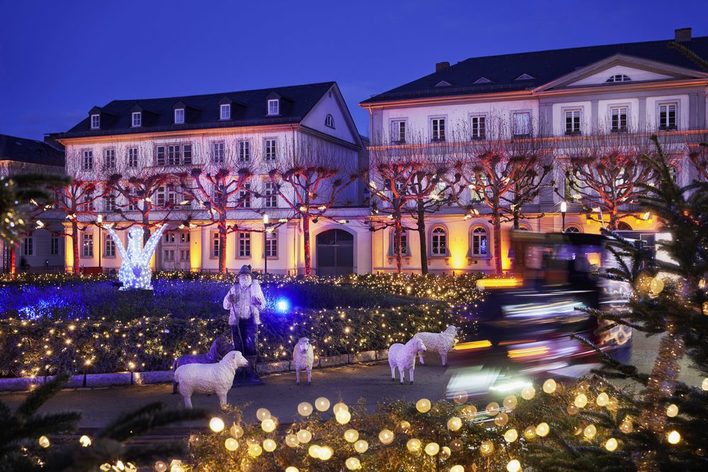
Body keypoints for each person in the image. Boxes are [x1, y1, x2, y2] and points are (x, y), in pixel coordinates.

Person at [223, 264, 265, 385]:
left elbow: (263, 305)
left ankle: (251, 372)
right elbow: (225, 305)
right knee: (237, 346)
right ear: (239, 277)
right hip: (236, 321)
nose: (245, 277)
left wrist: (258, 303)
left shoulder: (255, 289)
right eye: (243, 275)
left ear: (250, 277)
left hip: (250, 321)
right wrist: (229, 301)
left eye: (247, 275)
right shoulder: (233, 288)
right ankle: (239, 373)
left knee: (250, 346)